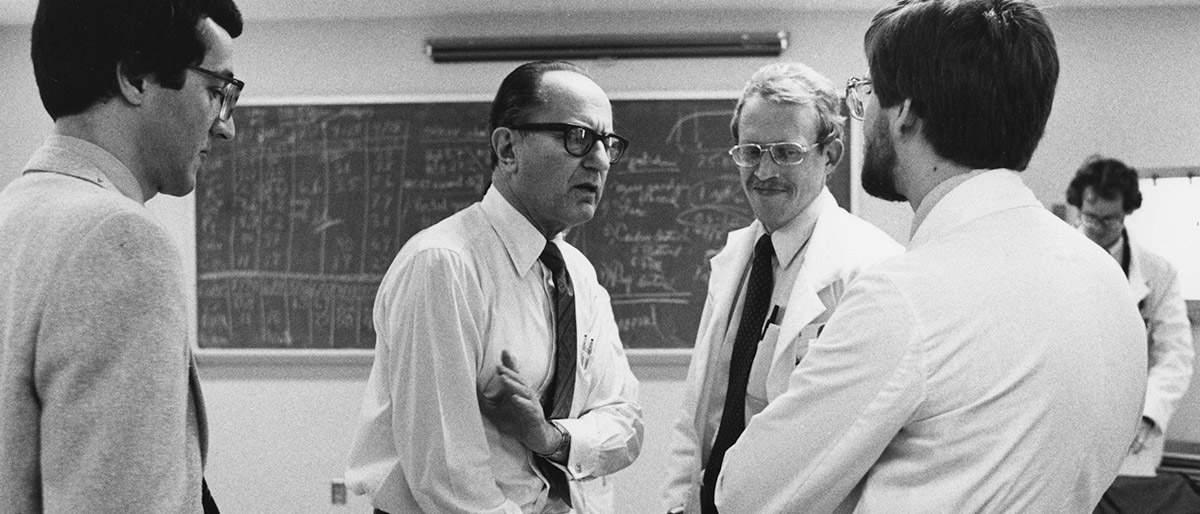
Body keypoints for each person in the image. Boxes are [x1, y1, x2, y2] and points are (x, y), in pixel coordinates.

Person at [716, 1, 1147, 513]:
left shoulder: (902, 298)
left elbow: (744, 494)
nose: (863, 112)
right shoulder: (1106, 281)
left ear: (907, 113)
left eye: (869, 92)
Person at [345, 60, 643, 514]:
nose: (600, 160)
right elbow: (448, 478)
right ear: (507, 149)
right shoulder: (444, 265)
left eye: (607, 143)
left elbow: (626, 424)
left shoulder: (578, 276)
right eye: (577, 137)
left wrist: (550, 436)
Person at [0, 0, 243, 512]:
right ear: (134, 78)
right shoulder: (120, 242)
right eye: (215, 91)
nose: (226, 127)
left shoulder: (13, 216)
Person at [660, 62, 903, 514]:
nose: (763, 170)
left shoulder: (871, 270)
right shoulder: (735, 261)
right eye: (750, 151)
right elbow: (698, 417)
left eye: (786, 152)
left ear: (829, 155)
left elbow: (857, 446)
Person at [1066, 156, 1194, 477]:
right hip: (1067, 416)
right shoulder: (1055, 258)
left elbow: (1175, 354)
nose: (1096, 227)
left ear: (1126, 213)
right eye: (1089, 217)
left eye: (1109, 220)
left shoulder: (1158, 274)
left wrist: (1149, 414)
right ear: (1079, 206)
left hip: (1133, 425)